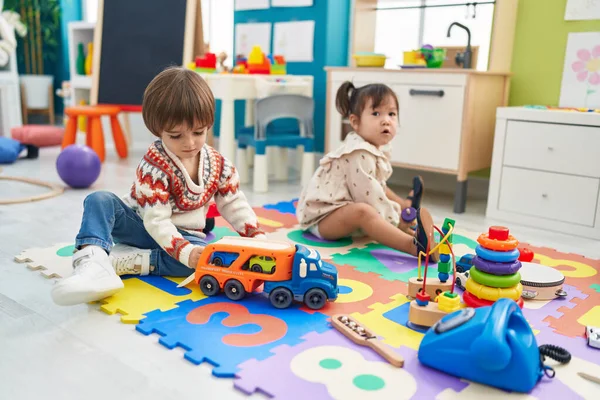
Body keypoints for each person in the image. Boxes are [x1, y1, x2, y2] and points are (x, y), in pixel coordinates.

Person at [52, 67, 265, 306]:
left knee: (206, 260)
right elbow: (156, 221)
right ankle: (92, 263)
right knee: (98, 200)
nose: (190, 143)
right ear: (158, 130)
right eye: (176, 136)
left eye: (199, 132)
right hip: (140, 225)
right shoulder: (154, 167)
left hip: (184, 235)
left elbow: (234, 202)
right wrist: (184, 251)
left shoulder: (218, 164)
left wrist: (256, 237)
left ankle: (134, 261)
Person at [296, 81, 438, 260]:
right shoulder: (358, 153)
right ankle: (413, 246)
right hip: (323, 219)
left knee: (378, 189)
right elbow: (370, 198)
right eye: (376, 113)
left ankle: (406, 205)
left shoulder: (372, 148)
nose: (386, 120)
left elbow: (377, 186)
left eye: (392, 114)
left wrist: (398, 207)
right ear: (355, 122)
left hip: (343, 208)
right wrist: (397, 222)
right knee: (364, 212)